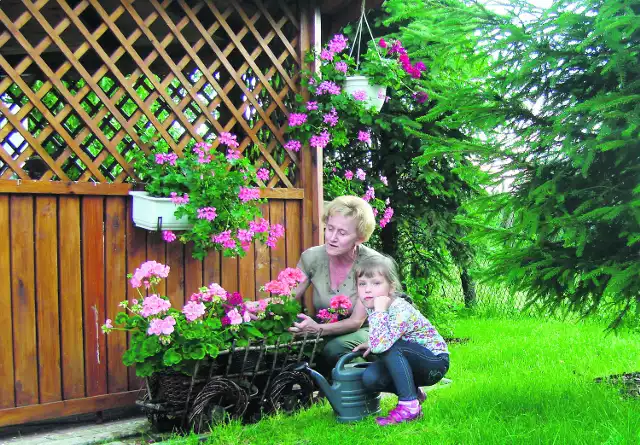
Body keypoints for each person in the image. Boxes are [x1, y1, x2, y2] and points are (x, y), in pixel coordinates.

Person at [289, 195, 381, 376]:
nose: (332, 237)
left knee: (334, 348)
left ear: (360, 238)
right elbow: (287, 297)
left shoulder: (372, 263)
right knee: (293, 327)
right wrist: (257, 308)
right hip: (328, 329)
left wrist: (317, 329)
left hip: (372, 330)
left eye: (342, 233)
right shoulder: (312, 257)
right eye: (330, 229)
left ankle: (382, 378)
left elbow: (356, 322)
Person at [352, 255, 449, 426]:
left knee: (389, 347)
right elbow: (383, 338)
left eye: (376, 283)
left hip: (434, 362)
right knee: (370, 378)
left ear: (391, 287)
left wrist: (380, 312)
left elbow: (383, 344)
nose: (367, 290)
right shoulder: (373, 306)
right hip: (410, 359)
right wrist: (371, 342)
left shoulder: (399, 308)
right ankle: (414, 395)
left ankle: (409, 406)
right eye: (362, 284)